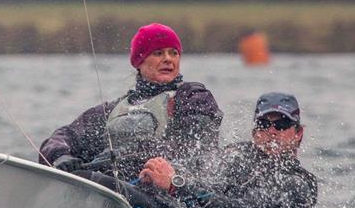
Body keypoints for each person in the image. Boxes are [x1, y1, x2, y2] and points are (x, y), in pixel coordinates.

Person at [108, 92, 318, 208]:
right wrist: (159, 175)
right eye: (264, 124)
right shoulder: (238, 155)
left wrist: (175, 185)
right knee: (123, 187)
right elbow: (199, 177)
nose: (272, 132)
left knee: (119, 194)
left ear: (298, 133)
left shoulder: (296, 183)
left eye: (281, 125)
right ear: (255, 132)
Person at [39, 22, 222, 183]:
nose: (168, 59)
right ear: (139, 62)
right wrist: (60, 156)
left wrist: (130, 154)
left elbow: (194, 146)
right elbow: (63, 136)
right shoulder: (111, 110)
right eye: (158, 53)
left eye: (173, 53)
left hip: (164, 192)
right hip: (114, 187)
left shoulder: (193, 97)